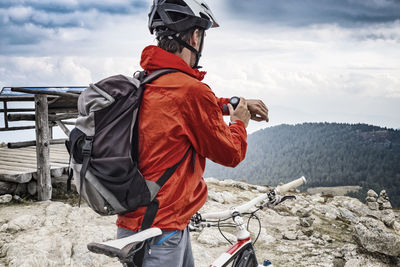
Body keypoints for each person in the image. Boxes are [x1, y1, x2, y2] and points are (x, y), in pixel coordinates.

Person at [116, 0, 269, 266]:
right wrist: (239, 123)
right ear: (196, 36)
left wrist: (229, 103)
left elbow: (184, 108)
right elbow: (231, 153)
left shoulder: (147, 80)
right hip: (160, 230)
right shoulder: (190, 91)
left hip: (142, 222)